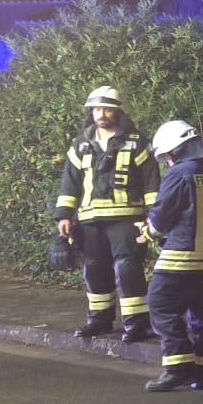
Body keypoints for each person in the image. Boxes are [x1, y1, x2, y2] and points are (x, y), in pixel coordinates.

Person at [55, 86, 158, 342]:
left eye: (107, 108)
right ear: (91, 111)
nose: (101, 114)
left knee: (127, 269)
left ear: (117, 111)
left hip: (127, 218)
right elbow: (70, 183)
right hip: (90, 219)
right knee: (94, 269)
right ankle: (99, 321)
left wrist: (152, 215)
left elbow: (151, 182)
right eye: (97, 109)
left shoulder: (136, 142)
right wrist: (64, 215)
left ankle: (136, 324)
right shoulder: (80, 145)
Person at [141, 120, 203, 392]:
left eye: (166, 157)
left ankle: (177, 367)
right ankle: (201, 370)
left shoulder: (177, 174)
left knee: (160, 303)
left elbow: (162, 215)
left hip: (179, 257)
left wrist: (148, 233)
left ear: (173, 151)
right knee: (202, 314)